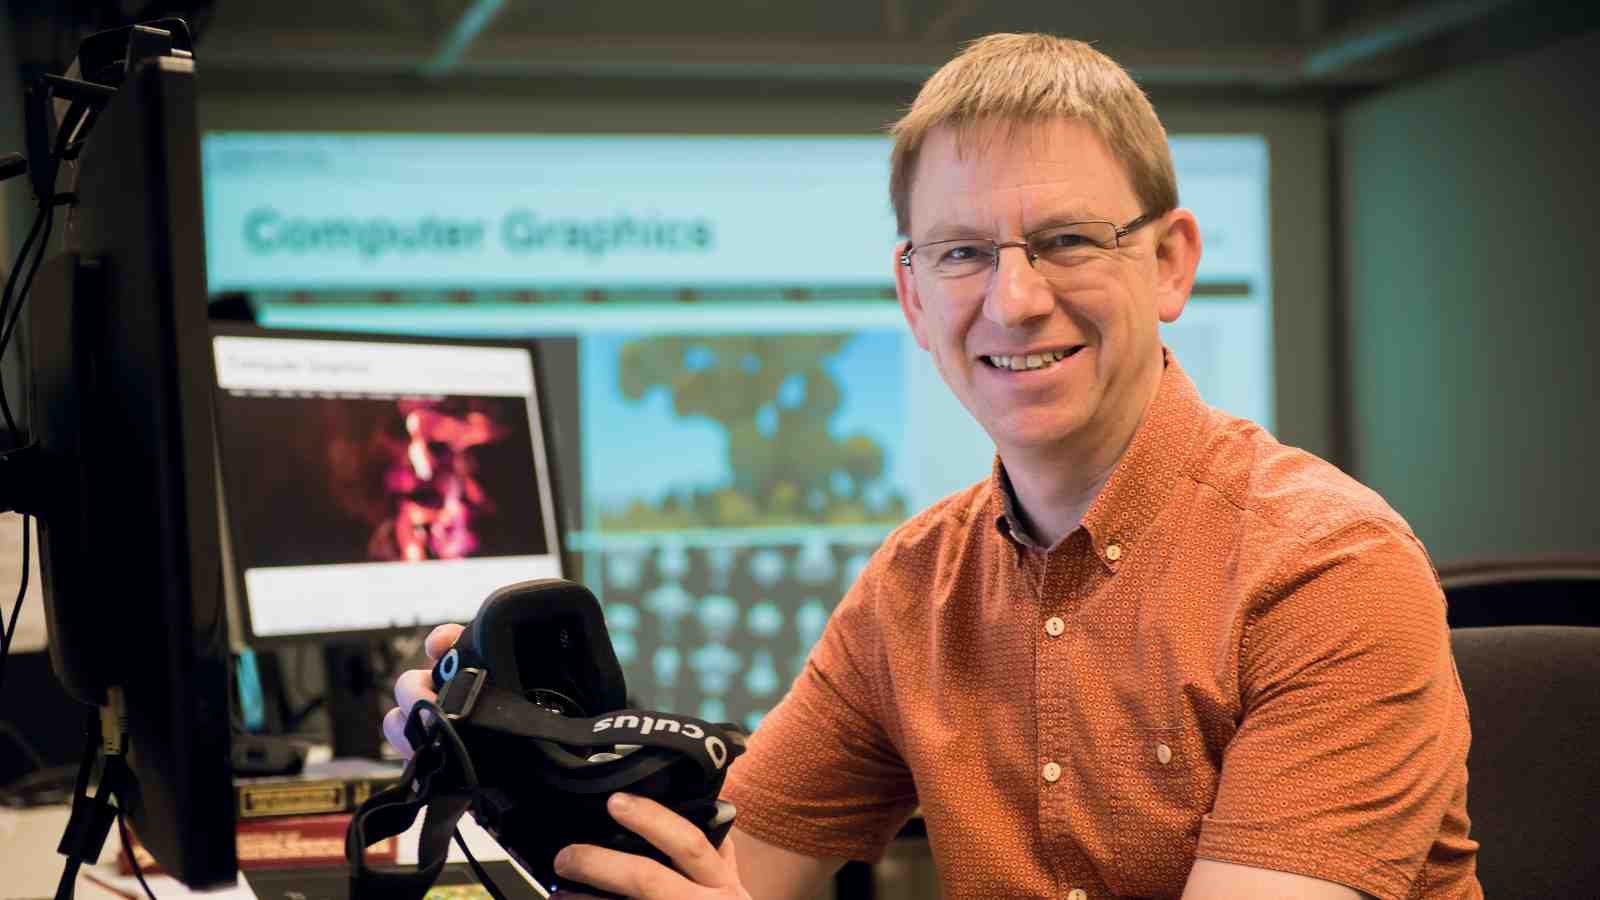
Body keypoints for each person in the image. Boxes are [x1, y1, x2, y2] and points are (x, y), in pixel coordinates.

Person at [387, 33, 1479, 900]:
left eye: (1066, 241)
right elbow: (733, 876)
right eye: (961, 253)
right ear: (913, 294)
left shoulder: (1329, 569)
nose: (1012, 300)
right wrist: (515, 764)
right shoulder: (913, 590)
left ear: (1169, 263)